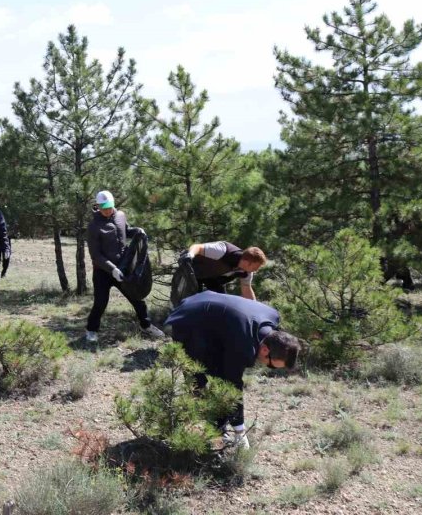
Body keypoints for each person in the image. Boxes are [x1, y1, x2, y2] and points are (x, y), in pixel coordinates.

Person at [164, 291, 301, 449]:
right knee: (198, 379)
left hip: (210, 313)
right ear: (265, 350)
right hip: (189, 319)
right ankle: (185, 429)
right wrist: (240, 431)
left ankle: (218, 428)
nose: (267, 366)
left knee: (220, 374)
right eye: (270, 364)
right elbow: (233, 386)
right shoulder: (243, 345)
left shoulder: (272, 318)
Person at [85, 190, 166, 343]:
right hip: (103, 272)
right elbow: (96, 255)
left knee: (137, 297)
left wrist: (137, 231)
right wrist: (112, 269)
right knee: (100, 302)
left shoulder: (121, 216)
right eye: (104, 208)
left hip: (123, 268)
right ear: (98, 206)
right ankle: (91, 330)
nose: (107, 211)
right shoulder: (94, 226)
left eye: (110, 207)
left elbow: (125, 231)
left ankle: (146, 325)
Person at [181, 241, 267, 300]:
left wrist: (254, 309)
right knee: (191, 300)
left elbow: (246, 289)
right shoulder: (223, 250)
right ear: (247, 262)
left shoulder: (246, 273)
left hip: (211, 278)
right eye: (256, 267)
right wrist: (190, 255)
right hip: (192, 269)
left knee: (221, 302)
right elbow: (197, 247)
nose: (256, 270)